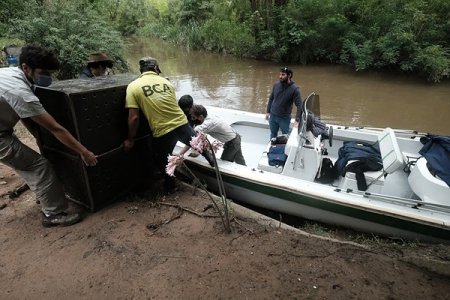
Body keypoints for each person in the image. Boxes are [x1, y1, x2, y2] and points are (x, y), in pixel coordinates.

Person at [0, 45, 98, 227]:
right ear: (25, 67)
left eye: (50, 73)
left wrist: (37, 136)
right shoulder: (20, 91)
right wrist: (84, 152)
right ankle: (53, 214)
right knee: (39, 166)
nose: (48, 78)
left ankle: (45, 196)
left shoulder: (9, 74)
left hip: (4, 130)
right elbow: (56, 129)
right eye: (44, 72)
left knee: (27, 164)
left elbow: (26, 115)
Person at [123, 57, 214, 194]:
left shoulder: (133, 86)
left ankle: (170, 185)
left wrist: (130, 139)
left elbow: (134, 117)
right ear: (156, 69)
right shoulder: (167, 82)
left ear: (141, 70)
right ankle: (212, 162)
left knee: (162, 159)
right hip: (181, 123)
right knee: (198, 144)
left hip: (162, 131)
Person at [265, 66, 302, 139]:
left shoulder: (295, 89)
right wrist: (267, 111)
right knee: (273, 134)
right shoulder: (276, 85)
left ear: (289, 75)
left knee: (285, 136)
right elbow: (271, 98)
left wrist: (297, 120)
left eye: (283, 75)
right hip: (273, 116)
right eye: (280, 74)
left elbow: (299, 105)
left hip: (284, 118)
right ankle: (272, 148)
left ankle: (284, 150)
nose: (280, 77)